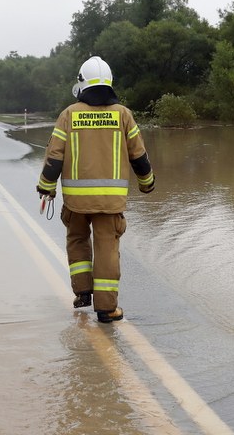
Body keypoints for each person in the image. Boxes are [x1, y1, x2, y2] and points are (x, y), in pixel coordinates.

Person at [36, 56, 155, 323]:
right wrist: (147, 183)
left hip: (75, 203)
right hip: (110, 203)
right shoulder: (123, 115)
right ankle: (106, 308)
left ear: (82, 83)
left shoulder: (68, 115)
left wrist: (46, 187)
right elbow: (139, 156)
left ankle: (82, 292)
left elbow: (54, 156)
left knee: (77, 241)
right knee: (106, 249)